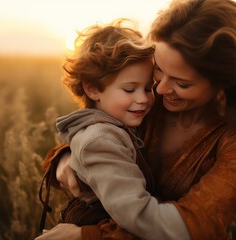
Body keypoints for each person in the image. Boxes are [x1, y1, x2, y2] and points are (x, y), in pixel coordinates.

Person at [36, 0, 236, 239]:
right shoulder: (147, 101)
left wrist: (86, 236)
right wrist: (65, 159)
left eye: (181, 82)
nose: (159, 90)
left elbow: (189, 228)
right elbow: (96, 136)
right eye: (158, 68)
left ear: (223, 81)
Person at [37, 18, 190, 240]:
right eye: (129, 89)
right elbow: (136, 214)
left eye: (148, 88)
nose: (143, 99)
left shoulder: (115, 124)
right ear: (93, 89)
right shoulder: (101, 139)